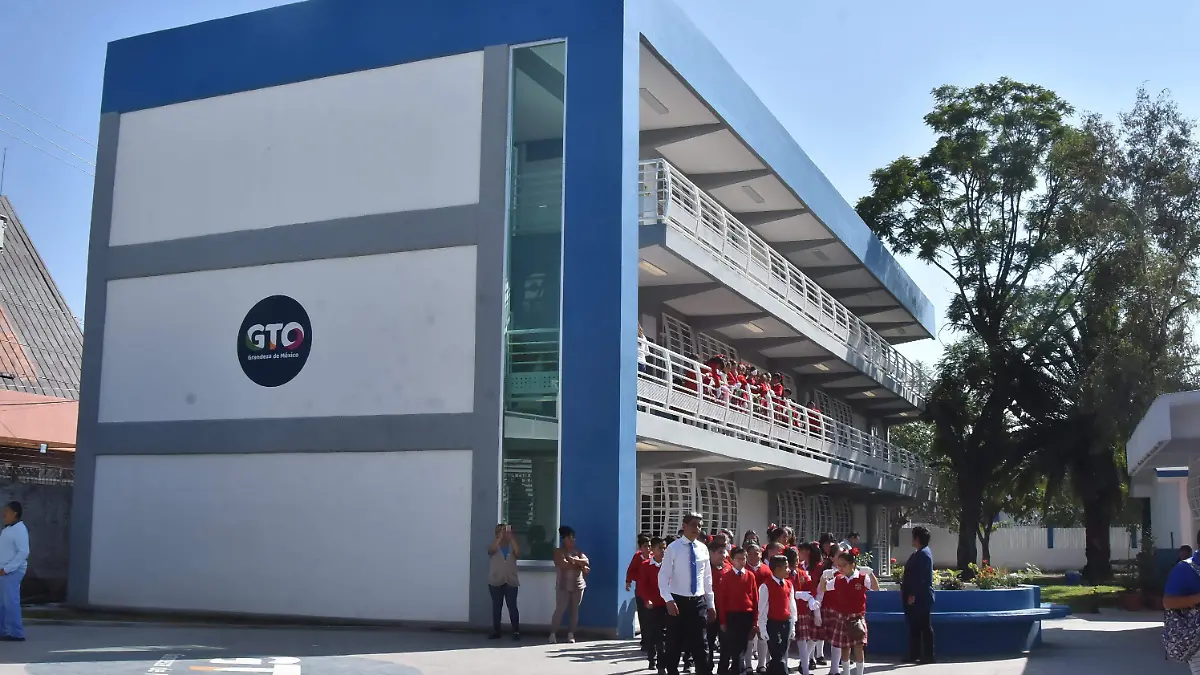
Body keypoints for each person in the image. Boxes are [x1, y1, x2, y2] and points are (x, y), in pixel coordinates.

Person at [659, 512, 716, 675]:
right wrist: (668, 599)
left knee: (701, 644)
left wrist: (710, 604)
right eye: (693, 525)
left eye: (700, 526)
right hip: (678, 601)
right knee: (674, 643)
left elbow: (707, 578)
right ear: (684, 526)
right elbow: (663, 576)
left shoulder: (703, 549)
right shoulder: (673, 548)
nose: (697, 529)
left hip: (698, 602)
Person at [823, 551, 870, 675]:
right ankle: (846, 673)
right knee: (845, 648)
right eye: (839, 565)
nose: (840, 568)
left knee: (859, 647)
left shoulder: (861, 577)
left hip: (857, 618)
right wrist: (824, 577)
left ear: (852, 565)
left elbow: (875, 587)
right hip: (842, 617)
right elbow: (823, 588)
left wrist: (870, 574)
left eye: (843, 565)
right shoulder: (838, 579)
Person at [718, 547, 757, 675]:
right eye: (738, 559)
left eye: (743, 558)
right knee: (731, 646)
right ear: (732, 560)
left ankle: (737, 669)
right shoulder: (726, 576)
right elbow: (722, 601)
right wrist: (723, 621)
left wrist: (755, 620)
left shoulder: (750, 575)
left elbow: (755, 598)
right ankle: (732, 669)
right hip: (732, 615)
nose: (741, 561)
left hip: (746, 615)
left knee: (743, 645)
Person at [756, 555, 796, 675]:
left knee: (782, 652)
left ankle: (772, 671)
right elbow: (762, 609)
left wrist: (793, 624)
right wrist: (762, 628)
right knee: (777, 652)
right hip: (772, 623)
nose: (788, 570)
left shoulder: (789, 584)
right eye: (786, 567)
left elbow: (792, 605)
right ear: (777, 569)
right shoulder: (766, 586)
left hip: (786, 622)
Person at [901, 526, 935, 664]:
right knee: (914, 626)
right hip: (916, 596)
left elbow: (919, 577)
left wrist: (912, 594)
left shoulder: (923, 555)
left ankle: (928, 655)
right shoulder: (919, 553)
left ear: (918, 538)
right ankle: (914, 654)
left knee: (924, 626)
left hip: (920, 597)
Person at [550, 525, 588, 644]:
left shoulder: (578, 552)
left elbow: (586, 562)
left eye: (573, 538)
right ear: (564, 540)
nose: (572, 541)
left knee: (574, 611)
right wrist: (580, 566)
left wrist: (575, 560)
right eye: (569, 538)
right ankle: (552, 634)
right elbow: (564, 565)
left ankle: (571, 634)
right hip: (563, 586)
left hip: (578, 586)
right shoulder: (558, 552)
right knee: (560, 609)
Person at [486, 523, 521, 640]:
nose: (504, 533)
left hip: (511, 580)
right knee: (497, 607)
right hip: (496, 580)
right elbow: (491, 551)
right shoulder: (495, 545)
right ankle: (496, 631)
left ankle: (516, 631)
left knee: (512, 606)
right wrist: (499, 538)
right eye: (501, 531)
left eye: (505, 531)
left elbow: (518, 553)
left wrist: (512, 538)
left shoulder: (512, 545)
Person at [0, 501, 28, 642]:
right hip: (3, 570)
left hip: (12, 571)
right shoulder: (8, 529)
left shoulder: (19, 529)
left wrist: (7, 569)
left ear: (14, 513)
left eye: (6, 511)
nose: (3, 514)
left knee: (11, 602)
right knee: (2, 603)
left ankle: (16, 633)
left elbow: (23, 552)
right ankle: (3, 631)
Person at [640, 537, 669, 674]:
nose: (663, 551)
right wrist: (647, 600)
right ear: (653, 550)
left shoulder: (669, 565)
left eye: (664, 548)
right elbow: (642, 586)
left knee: (663, 635)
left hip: (666, 604)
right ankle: (652, 657)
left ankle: (661, 664)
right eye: (660, 548)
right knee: (653, 633)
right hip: (652, 605)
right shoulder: (646, 565)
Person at [629, 534, 652, 655]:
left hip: (653, 593)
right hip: (641, 592)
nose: (648, 549)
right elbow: (631, 571)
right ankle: (645, 641)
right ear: (640, 548)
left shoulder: (654, 557)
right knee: (643, 617)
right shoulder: (638, 557)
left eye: (649, 546)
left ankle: (652, 641)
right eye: (645, 546)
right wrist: (629, 581)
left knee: (652, 617)